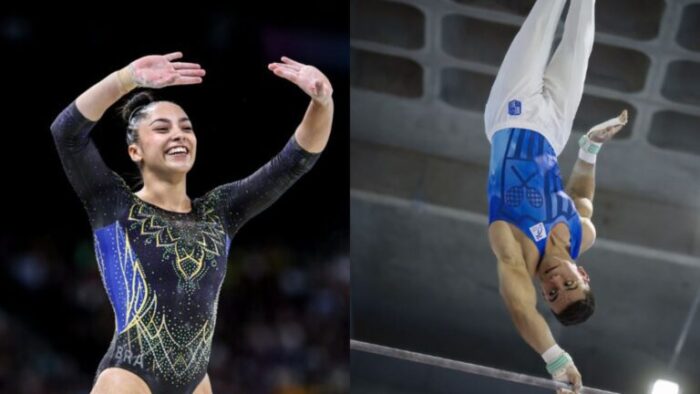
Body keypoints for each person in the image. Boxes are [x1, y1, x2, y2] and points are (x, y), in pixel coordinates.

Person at [51, 51, 333, 394]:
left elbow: (294, 162)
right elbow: (67, 132)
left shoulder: (219, 211)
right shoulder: (114, 204)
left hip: (196, 384)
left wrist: (322, 100)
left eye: (186, 127)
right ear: (135, 151)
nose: (179, 134)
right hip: (129, 379)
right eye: (162, 128)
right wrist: (125, 78)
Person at [483, 1, 627, 392]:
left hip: (510, 114)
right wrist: (590, 150)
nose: (554, 283)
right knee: (580, 38)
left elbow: (518, 306)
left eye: (551, 295)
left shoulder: (515, 249)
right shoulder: (583, 236)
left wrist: (556, 359)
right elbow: (581, 198)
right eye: (569, 285)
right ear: (583, 274)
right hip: (555, 130)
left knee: (545, 17)